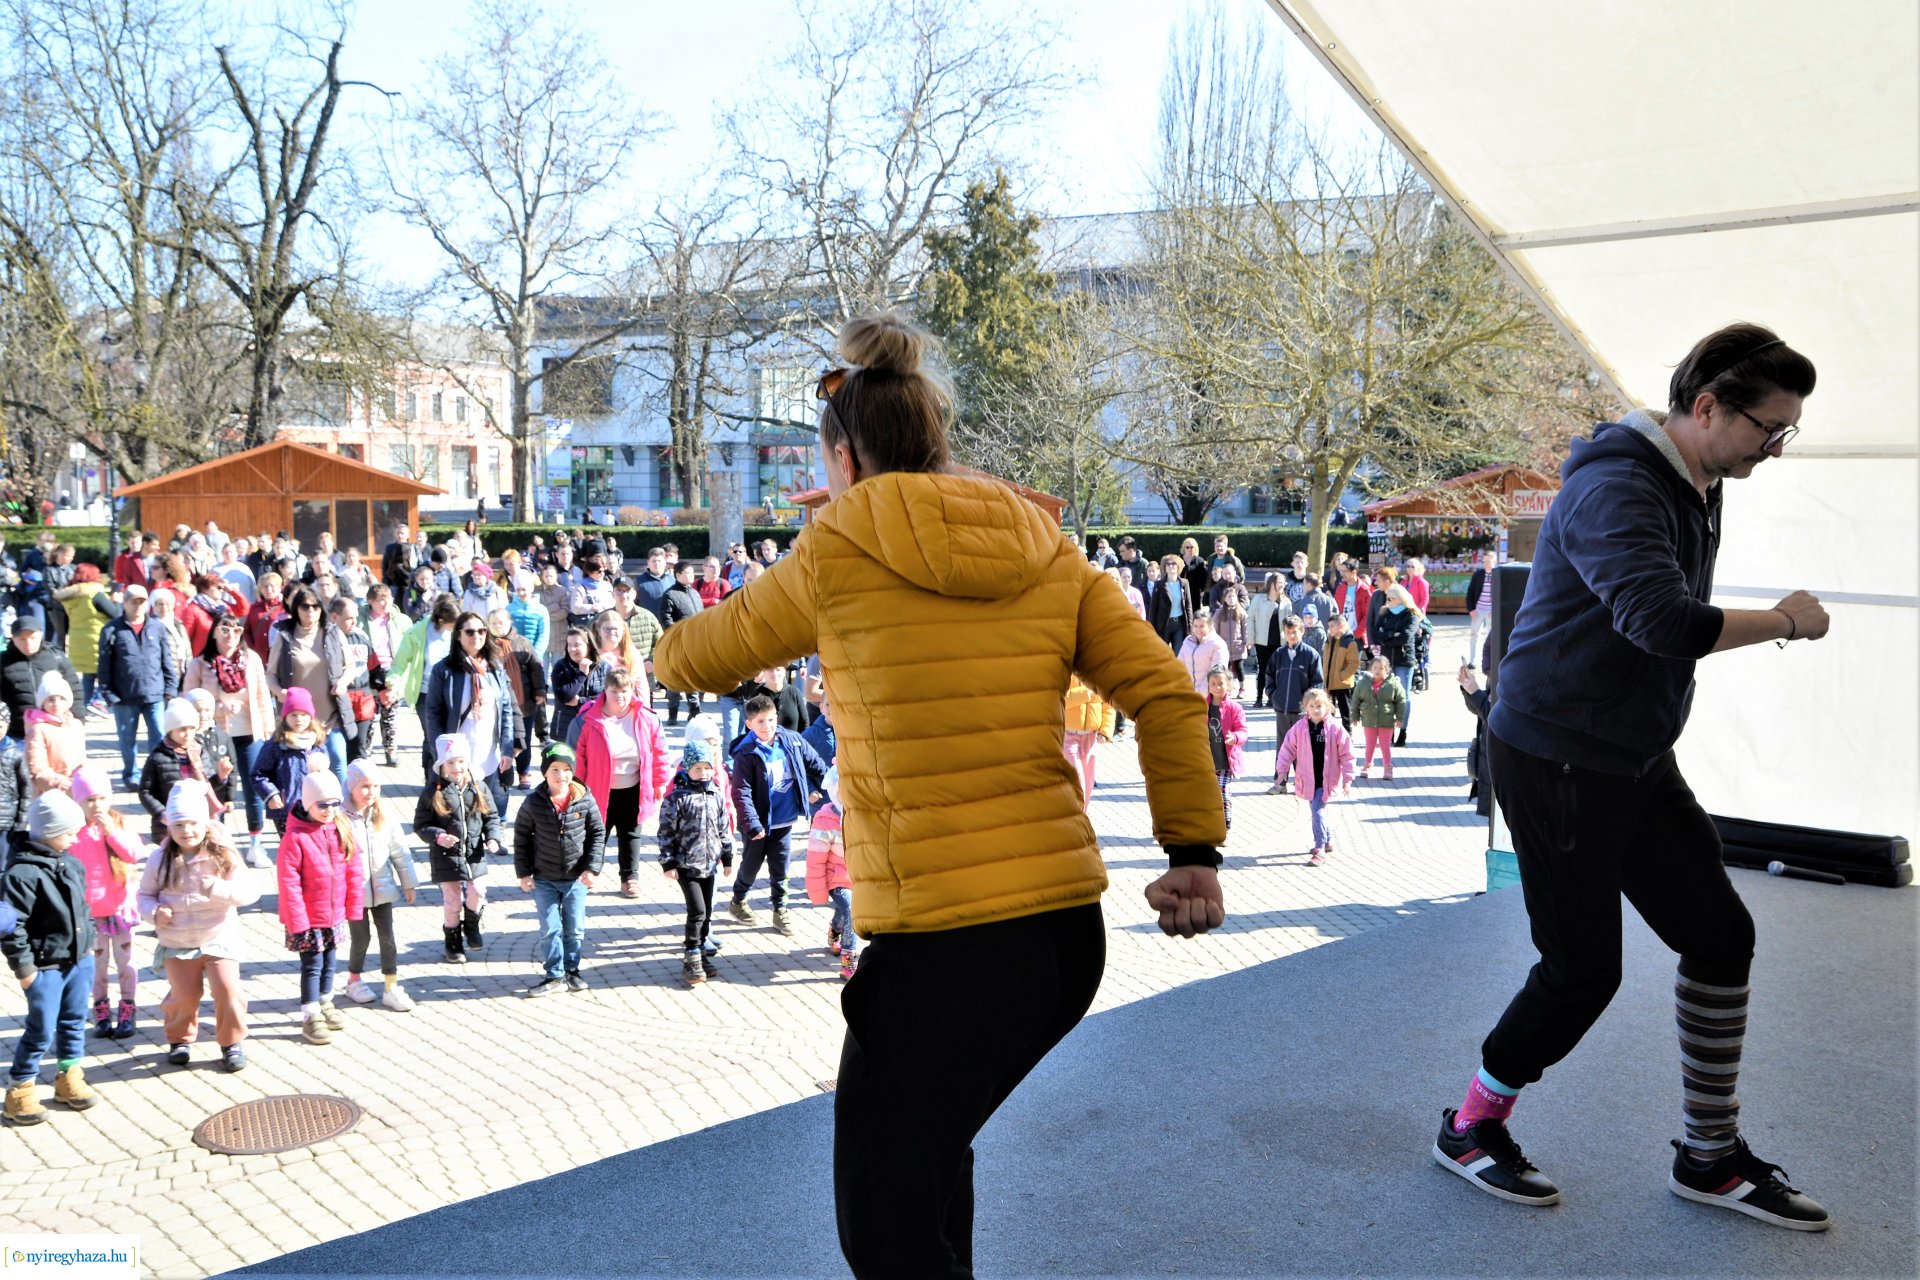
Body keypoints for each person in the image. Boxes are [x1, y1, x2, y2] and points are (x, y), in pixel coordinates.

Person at [651, 312, 1224, 1279]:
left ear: (842, 456)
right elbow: (1168, 695)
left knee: (883, 1221)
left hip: (940, 943)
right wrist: (1191, 856)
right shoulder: (1047, 548)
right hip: (1059, 940)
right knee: (925, 1165)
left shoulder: (836, 548)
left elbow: (689, 658)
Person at [1436, 325, 1831, 1229]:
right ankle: (1469, 1126)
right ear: (1705, 407)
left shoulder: (1699, 478)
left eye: (1785, 433)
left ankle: (1710, 1155)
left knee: (1720, 936)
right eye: (1768, 430)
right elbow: (1662, 622)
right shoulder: (1618, 484)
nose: (1774, 450)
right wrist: (1782, 619)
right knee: (1582, 973)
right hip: (1556, 754)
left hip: (1635, 755)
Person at [2, 791, 99, 1123]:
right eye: (70, 831)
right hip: (45, 968)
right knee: (41, 1029)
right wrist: (25, 970)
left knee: (73, 1022)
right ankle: (20, 1090)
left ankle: (69, 1077)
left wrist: (90, 941)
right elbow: (11, 927)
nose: (76, 837)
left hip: (79, 961)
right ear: (49, 831)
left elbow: (83, 908)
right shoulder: (20, 875)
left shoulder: (70, 861)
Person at [724, 694, 827, 934]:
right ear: (749, 724)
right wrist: (752, 823)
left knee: (781, 867)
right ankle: (738, 900)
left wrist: (831, 783)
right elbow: (741, 791)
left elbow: (815, 764)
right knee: (751, 865)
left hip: (785, 819)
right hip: (758, 824)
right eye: (760, 721)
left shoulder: (792, 740)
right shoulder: (746, 753)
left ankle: (780, 910)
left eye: (771, 720)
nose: (767, 726)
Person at [277, 769, 362, 1046]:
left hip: (333, 915)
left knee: (330, 962)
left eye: (335, 804)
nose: (329, 810)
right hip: (308, 919)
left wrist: (353, 908)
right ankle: (310, 1013)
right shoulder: (295, 838)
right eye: (322, 804)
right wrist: (298, 921)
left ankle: (326, 1001)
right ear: (307, 804)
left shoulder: (341, 828)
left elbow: (353, 870)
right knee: (312, 965)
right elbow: (289, 883)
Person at [185, 612, 276, 866]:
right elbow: (187, 699)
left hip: (249, 733)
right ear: (213, 632)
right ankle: (216, 845)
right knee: (217, 790)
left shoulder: (251, 659)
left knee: (253, 787)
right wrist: (217, 708)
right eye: (225, 629)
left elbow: (262, 695)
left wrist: (269, 727)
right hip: (215, 736)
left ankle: (255, 845)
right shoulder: (201, 663)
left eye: (236, 630)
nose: (231, 635)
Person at [513, 743, 604, 998]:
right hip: (544, 878)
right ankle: (554, 974)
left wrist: (592, 869)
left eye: (566, 769)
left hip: (576, 878)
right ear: (545, 772)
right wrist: (524, 873)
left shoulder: (584, 799)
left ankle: (572, 970)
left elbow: (598, 833)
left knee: (574, 928)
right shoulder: (533, 803)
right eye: (555, 769)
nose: (561, 775)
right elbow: (521, 837)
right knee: (550, 927)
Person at [573, 667, 670, 899]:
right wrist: (577, 787)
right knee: (596, 833)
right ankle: (589, 873)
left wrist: (659, 782)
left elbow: (659, 753)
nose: (620, 696)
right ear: (605, 691)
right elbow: (581, 756)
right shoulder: (590, 717)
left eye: (625, 691)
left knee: (630, 834)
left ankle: (630, 879)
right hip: (598, 788)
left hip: (634, 787)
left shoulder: (646, 717)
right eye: (614, 691)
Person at [69, 764, 144, 1040]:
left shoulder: (117, 824)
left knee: (126, 964)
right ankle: (101, 1010)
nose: (96, 805)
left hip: (119, 910)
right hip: (91, 915)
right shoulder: (73, 832)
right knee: (97, 967)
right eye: (89, 800)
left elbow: (134, 853)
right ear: (78, 802)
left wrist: (112, 831)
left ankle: (128, 1007)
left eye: (101, 798)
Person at [414, 734, 502, 965]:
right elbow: (421, 825)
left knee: (478, 891)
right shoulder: (433, 791)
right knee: (452, 900)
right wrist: (438, 836)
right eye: (451, 762)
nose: (457, 767)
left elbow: (491, 816)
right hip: (446, 855)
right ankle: (452, 941)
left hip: (473, 852)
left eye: (461, 761)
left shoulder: (478, 787)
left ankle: (471, 924)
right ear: (441, 765)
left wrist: (493, 837)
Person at [417, 611, 519, 810]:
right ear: (458, 636)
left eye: (481, 631)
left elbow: (505, 710)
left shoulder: (494, 668)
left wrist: (508, 749)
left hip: (489, 754)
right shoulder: (443, 669)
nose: (477, 636)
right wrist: (441, 752)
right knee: (458, 812)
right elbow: (433, 714)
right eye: (470, 632)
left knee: (488, 811)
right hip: (456, 758)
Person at [338, 760, 417, 1012]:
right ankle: (353, 980)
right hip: (355, 894)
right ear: (350, 787)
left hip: (383, 890)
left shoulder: (384, 815)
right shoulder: (340, 818)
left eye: (375, 786)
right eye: (364, 786)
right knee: (360, 939)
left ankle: (391, 986)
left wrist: (409, 883)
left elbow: (400, 851)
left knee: (388, 938)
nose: (370, 792)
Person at [655, 739, 732, 985]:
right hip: (686, 865)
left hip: (710, 865)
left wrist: (727, 856)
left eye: (707, 768)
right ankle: (691, 955)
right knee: (697, 911)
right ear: (687, 769)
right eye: (697, 768)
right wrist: (668, 863)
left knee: (707, 912)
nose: (703, 773)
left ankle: (701, 952)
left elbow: (723, 828)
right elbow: (665, 832)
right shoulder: (677, 798)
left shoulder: (716, 795)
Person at [97, 584, 177, 791]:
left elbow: (166, 659)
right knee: (127, 739)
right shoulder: (112, 629)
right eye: (134, 602)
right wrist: (108, 694)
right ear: (124, 603)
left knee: (159, 737)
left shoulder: (157, 627)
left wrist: (171, 688)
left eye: (142, 602)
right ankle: (131, 774)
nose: (138, 606)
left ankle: (157, 773)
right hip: (124, 696)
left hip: (155, 694)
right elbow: (104, 665)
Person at [1272, 688, 1353, 865]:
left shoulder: (1335, 728)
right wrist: (1282, 770)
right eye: (1312, 706)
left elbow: (1347, 753)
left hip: (1326, 780)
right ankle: (1329, 840)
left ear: (1328, 707)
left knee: (1317, 811)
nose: (1316, 709)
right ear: (1305, 707)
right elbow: (1287, 750)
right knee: (1318, 811)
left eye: (1320, 706)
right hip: (1308, 779)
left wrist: (1348, 778)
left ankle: (1320, 849)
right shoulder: (1299, 728)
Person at [803, 765, 855, 979]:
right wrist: (818, 891)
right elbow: (815, 859)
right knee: (852, 910)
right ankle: (849, 959)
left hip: (859, 878)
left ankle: (835, 929)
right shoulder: (825, 820)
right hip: (837, 879)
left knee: (844, 913)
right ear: (835, 791)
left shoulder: (863, 814)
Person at [1262, 616, 1324, 794]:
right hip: (1282, 709)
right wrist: (1274, 696)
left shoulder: (1311, 655)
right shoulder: (1279, 654)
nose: (1291, 635)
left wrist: (1310, 706)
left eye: (1294, 632)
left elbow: (1317, 683)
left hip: (1301, 712)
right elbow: (1269, 677)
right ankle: (1280, 782)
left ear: (1302, 631)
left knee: (1302, 748)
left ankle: (1302, 784)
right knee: (1282, 747)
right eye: (1288, 632)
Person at [3, 610, 82, 747]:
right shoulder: (3, 662)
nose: (28, 643)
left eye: (32, 637)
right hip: (17, 736)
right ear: (13, 639)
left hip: (54, 732)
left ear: (40, 636)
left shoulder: (56, 658)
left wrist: (79, 721)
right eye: (22, 639)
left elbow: (75, 689)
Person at [489, 608, 548, 787]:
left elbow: (536, 668)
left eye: (501, 622)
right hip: (497, 702)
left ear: (509, 622)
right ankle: (503, 774)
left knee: (524, 740)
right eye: (493, 623)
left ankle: (524, 772)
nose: (498, 626)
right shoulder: (486, 645)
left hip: (524, 700)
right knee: (501, 739)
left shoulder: (522, 642)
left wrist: (540, 691)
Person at [1370, 585, 1426, 745]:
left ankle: (1403, 730)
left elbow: (1406, 636)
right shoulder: (1385, 613)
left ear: (1401, 598)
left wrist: (1388, 637)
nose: (1386, 601)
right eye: (1386, 598)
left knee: (1403, 697)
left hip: (1403, 660)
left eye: (1390, 598)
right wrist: (1389, 635)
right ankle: (1389, 731)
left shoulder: (1412, 615)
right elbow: (1376, 633)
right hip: (1387, 660)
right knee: (1386, 695)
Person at [52, 566, 109, 710]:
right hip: (96, 639)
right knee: (104, 673)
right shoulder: (95, 594)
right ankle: (99, 702)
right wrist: (117, 601)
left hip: (78, 639)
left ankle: (84, 704)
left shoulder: (70, 596)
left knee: (88, 676)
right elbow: (114, 613)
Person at [658, 559, 705, 726]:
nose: (691, 576)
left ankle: (694, 710)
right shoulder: (670, 594)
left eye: (693, 573)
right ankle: (673, 712)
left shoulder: (694, 593)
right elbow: (666, 618)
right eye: (688, 573)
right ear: (678, 575)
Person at [24, 671, 86, 796]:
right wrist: (59, 783)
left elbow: (82, 760)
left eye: (62, 699)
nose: (56, 704)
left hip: (77, 789)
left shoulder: (76, 725)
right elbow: (37, 768)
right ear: (43, 703)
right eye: (51, 700)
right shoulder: (38, 730)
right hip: (51, 792)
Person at [1203, 666, 1248, 835]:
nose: (1217, 687)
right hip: (1207, 762)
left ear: (1228, 685)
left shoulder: (1234, 708)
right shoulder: (1202, 706)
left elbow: (1243, 730)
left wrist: (1235, 738)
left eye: (1221, 683)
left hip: (1225, 761)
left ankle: (1225, 828)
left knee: (1224, 795)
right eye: (1213, 683)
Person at [1061, 674, 1115, 806]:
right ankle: (1076, 820)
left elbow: (1108, 706)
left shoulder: (1098, 673)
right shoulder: (1064, 671)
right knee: (1078, 784)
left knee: (1088, 785)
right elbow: (1060, 700)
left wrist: (1105, 731)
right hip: (1068, 737)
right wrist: (1086, 693)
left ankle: (1081, 820)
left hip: (1090, 738)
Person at [1352, 653, 1406, 781]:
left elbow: (1401, 700)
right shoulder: (1363, 683)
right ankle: (1367, 765)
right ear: (1371, 669)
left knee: (1384, 745)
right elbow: (1356, 699)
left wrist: (1399, 718)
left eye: (1381, 668)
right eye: (1375, 667)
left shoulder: (1393, 683)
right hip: (1369, 719)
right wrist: (1354, 716)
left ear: (1386, 670)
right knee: (1370, 744)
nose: (1377, 671)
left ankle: (1387, 767)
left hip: (1386, 720)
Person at [1247, 575, 1285, 708]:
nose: (1282, 585)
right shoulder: (1258, 599)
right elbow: (1250, 618)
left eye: (1283, 583)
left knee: (1276, 671)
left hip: (1279, 642)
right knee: (1262, 670)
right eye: (1279, 582)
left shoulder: (1286, 602)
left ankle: (1272, 698)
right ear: (1272, 583)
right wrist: (1250, 638)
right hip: (1262, 642)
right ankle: (1258, 698)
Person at [1211, 582, 1250, 700]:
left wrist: (1246, 641)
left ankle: (1242, 687)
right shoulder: (1220, 613)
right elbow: (1215, 628)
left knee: (1239, 668)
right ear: (1225, 599)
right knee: (1225, 669)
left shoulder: (1241, 612)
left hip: (1238, 646)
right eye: (1229, 597)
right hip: (1224, 647)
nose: (1232, 599)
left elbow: (1245, 628)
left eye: (1233, 597)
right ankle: (1227, 689)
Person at [1323, 614, 1362, 730]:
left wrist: (1341, 676)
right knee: (1329, 711)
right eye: (1329, 626)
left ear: (1341, 626)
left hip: (1342, 684)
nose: (1329, 629)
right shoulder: (1329, 641)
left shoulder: (1349, 642)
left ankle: (1348, 734)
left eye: (1332, 626)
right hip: (1329, 682)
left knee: (1345, 711)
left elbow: (1353, 664)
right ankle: (1330, 733)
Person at [1176, 612, 1230, 696]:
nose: (1198, 630)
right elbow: (1178, 666)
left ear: (1209, 626)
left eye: (1202, 626)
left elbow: (1216, 674)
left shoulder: (1218, 644)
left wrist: (1200, 693)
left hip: (1209, 696)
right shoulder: (1187, 641)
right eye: (1195, 626)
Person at [1465, 549, 1500, 669]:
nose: (1486, 564)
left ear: (1494, 561)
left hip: (1491, 611)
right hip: (1478, 609)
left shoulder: (1498, 574)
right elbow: (1470, 592)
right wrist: (1471, 609)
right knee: (1474, 635)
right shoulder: (1478, 574)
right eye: (1484, 561)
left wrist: (1495, 610)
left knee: (1492, 637)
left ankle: (1491, 661)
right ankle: (1472, 661)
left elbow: (1501, 594)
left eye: (1489, 561)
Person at [1334, 562, 1372, 648]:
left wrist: (1357, 633)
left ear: (1354, 572)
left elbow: (1368, 615)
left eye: (1345, 571)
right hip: (1341, 635)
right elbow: (1336, 611)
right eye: (1341, 571)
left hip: (1356, 637)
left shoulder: (1365, 590)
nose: (1342, 574)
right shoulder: (1340, 589)